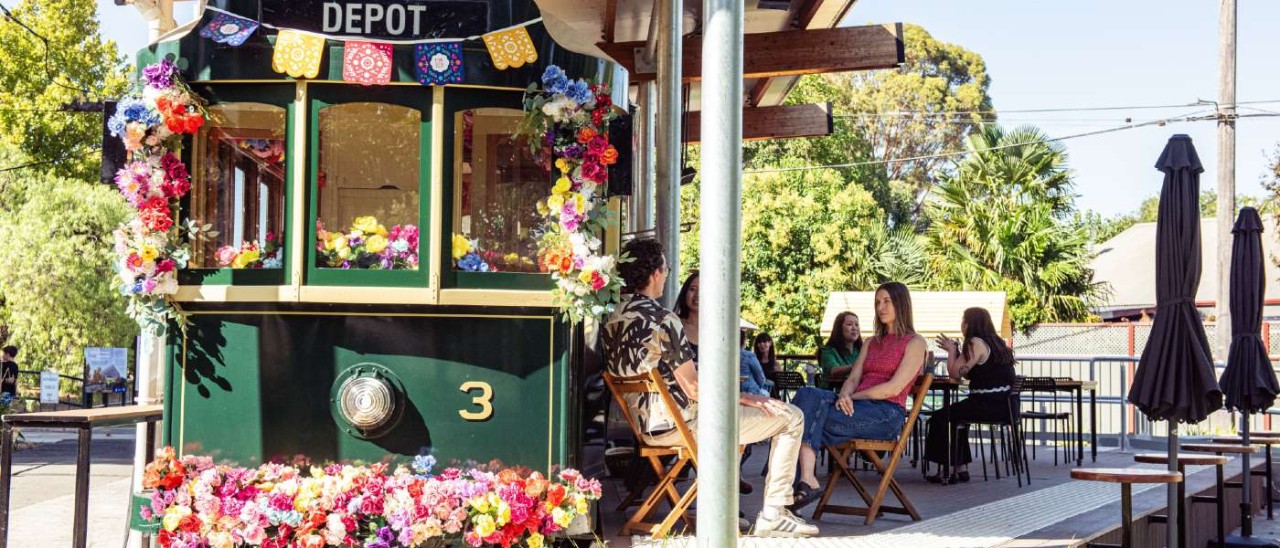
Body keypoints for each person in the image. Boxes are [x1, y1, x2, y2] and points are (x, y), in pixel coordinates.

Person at [601, 238, 818, 537]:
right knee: (791, 416)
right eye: (665, 268)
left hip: (642, 426)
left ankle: (721, 512)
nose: (666, 275)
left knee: (729, 418)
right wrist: (745, 396)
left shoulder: (611, 319)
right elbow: (693, 388)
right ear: (653, 274)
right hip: (679, 424)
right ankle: (775, 512)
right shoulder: (664, 319)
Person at [787, 282, 927, 510]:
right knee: (807, 395)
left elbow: (892, 388)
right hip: (855, 407)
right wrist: (844, 394)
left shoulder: (915, 343)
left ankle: (786, 492)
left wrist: (855, 397)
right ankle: (806, 480)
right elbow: (852, 378)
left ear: (901, 304)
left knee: (797, 422)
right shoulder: (872, 342)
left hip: (885, 414)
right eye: (877, 302)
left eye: (886, 301)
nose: (880, 307)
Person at [923, 307, 1018, 484]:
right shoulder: (997, 343)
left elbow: (955, 373)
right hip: (1006, 407)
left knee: (940, 417)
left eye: (963, 321)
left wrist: (951, 350)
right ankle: (960, 468)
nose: (962, 325)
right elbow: (968, 372)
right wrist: (958, 352)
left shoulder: (975, 343)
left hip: (986, 404)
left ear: (968, 324)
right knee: (958, 417)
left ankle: (946, 469)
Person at [815, 311, 862, 389]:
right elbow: (834, 371)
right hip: (831, 395)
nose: (854, 328)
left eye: (857, 325)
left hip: (857, 394)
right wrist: (858, 366)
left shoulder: (862, 350)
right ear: (839, 328)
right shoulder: (827, 351)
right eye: (849, 324)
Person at [673, 270, 700, 360]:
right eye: (692, 289)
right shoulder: (673, 325)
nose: (697, 295)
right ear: (685, 293)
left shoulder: (719, 330)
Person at [740, 331, 772, 396]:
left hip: (731, 389)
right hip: (750, 391)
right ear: (744, 341)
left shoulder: (725, 357)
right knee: (766, 393)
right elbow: (761, 378)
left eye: (764, 342)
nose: (762, 344)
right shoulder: (749, 356)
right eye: (759, 342)